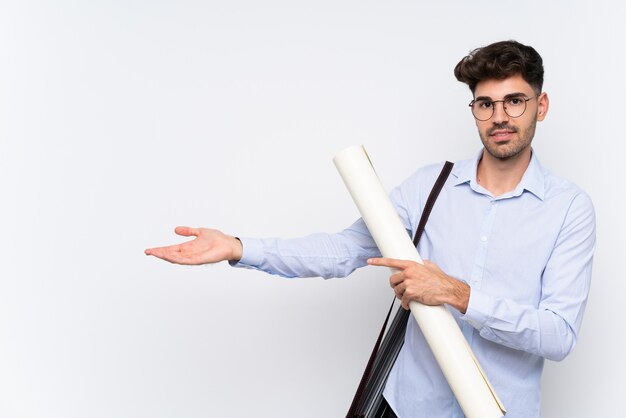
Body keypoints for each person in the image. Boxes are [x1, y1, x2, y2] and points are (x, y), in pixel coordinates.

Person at [145, 40, 595, 418]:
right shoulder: (430, 187)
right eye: (485, 104)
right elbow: (342, 251)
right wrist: (240, 247)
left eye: (514, 101)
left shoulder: (568, 209)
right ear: (474, 109)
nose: (499, 116)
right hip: (406, 407)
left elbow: (557, 335)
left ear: (541, 104)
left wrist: (457, 294)